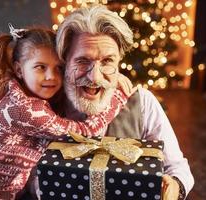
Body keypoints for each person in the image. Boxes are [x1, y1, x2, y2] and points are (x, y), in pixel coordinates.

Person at [0, 24, 135, 199]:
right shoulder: (24, 111)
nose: (51, 77)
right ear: (19, 69)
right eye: (40, 67)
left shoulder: (16, 91)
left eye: (59, 69)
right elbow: (85, 133)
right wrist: (117, 95)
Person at [54, 5, 194, 200]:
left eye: (107, 61)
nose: (94, 77)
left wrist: (175, 186)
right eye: (83, 61)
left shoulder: (143, 103)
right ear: (64, 61)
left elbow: (177, 167)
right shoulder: (43, 105)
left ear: (119, 62)